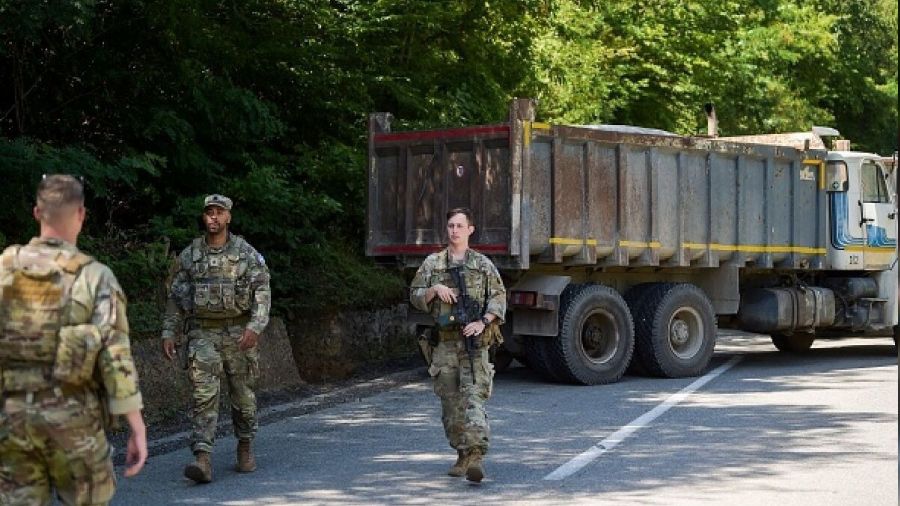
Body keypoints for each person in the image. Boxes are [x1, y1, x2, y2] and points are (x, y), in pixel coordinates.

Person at [0, 174, 147, 505]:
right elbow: (116, 356)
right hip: (75, 425)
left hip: (11, 422)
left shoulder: (4, 267)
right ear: (81, 213)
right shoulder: (96, 276)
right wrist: (135, 424)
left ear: (37, 213)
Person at [161, 194, 271, 483]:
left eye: (219, 213)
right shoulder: (191, 255)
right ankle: (203, 458)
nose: (213, 217)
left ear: (228, 217)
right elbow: (175, 297)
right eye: (209, 212)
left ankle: (245, 445)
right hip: (202, 333)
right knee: (203, 397)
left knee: (243, 396)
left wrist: (255, 327)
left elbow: (262, 291)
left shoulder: (246, 254)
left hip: (238, 333)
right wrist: (169, 331)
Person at [409, 207, 507, 483]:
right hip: (445, 345)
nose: (454, 231)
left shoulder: (483, 265)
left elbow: (499, 297)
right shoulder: (433, 264)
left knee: (473, 398)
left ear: (470, 230)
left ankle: (476, 455)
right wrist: (433, 290)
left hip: (474, 342)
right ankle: (462, 454)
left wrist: (483, 322)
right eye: (451, 225)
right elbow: (414, 295)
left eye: (460, 226)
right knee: (451, 405)